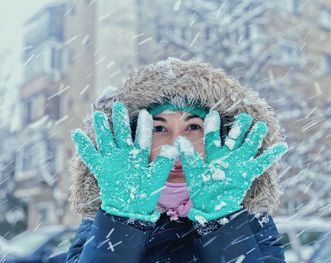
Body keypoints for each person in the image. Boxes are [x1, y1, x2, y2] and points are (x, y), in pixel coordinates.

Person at [65, 58, 288, 263]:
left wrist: (221, 219)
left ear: (219, 137)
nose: (177, 145)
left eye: (193, 127)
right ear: (135, 139)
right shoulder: (103, 219)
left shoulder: (250, 221)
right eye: (159, 128)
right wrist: (124, 221)